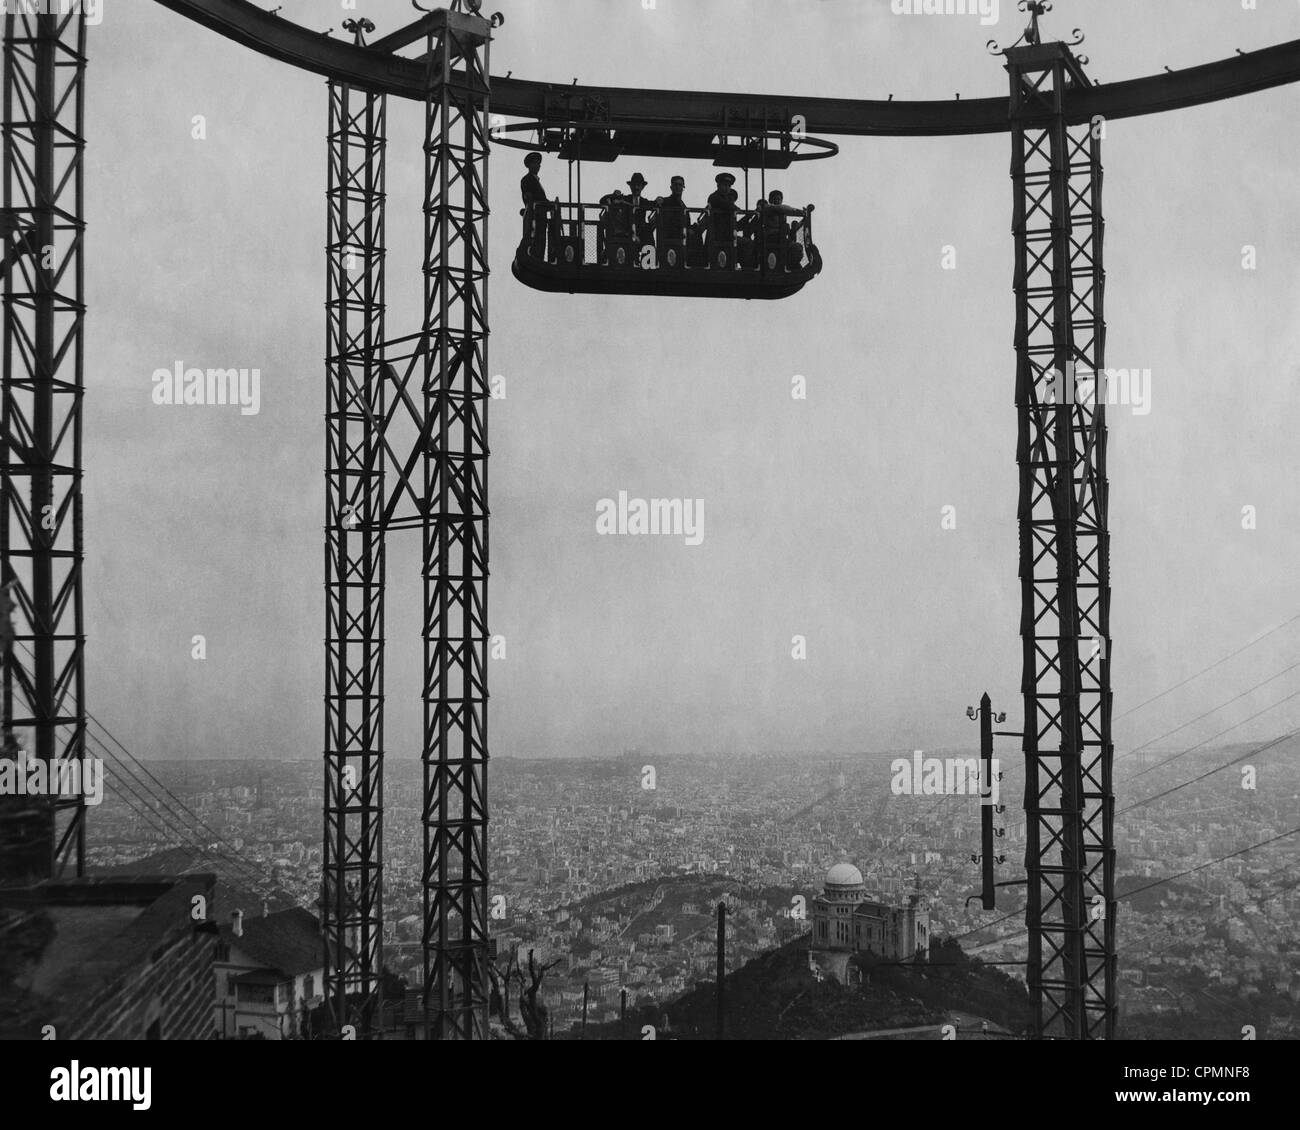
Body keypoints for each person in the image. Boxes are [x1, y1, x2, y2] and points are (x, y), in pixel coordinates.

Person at [758, 189, 810, 269]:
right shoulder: (768, 208)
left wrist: (803, 220)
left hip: (781, 237)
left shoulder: (781, 212)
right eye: (774, 199)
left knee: (797, 247)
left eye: (779, 199)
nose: (777, 201)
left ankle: (791, 265)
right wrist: (800, 212)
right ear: (770, 200)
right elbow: (781, 208)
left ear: (781, 200)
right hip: (770, 237)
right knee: (794, 247)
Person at [520, 152, 551, 258]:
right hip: (535, 217)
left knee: (541, 242)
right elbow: (529, 197)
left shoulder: (536, 181)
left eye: (538, 164)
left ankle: (538, 257)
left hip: (540, 218)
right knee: (536, 242)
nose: (537, 166)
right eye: (535, 163)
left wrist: (551, 204)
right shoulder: (527, 180)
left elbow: (541, 199)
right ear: (529, 165)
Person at [704, 172, 738, 265]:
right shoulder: (713, 197)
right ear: (718, 185)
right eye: (724, 185)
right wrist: (736, 208)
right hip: (716, 236)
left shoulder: (728, 199)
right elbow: (727, 206)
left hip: (726, 235)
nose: (727, 188)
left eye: (728, 186)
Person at [654, 176, 689, 259]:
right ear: (671, 187)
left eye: (680, 185)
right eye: (675, 185)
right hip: (668, 242)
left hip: (681, 243)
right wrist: (658, 200)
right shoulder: (665, 202)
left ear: (683, 187)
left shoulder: (684, 207)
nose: (678, 187)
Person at [626, 172, 655, 249]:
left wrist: (660, 199)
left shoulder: (644, 202)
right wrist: (614, 194)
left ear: (642, 187)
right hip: (627, 233)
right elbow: (602, 200)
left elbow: (656, 204)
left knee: (649, 241)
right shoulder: (625, 199)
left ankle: (649, 259)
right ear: (630, 186)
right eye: (634, 185)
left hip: (642, 234)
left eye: (638, 185)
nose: (636, 187)